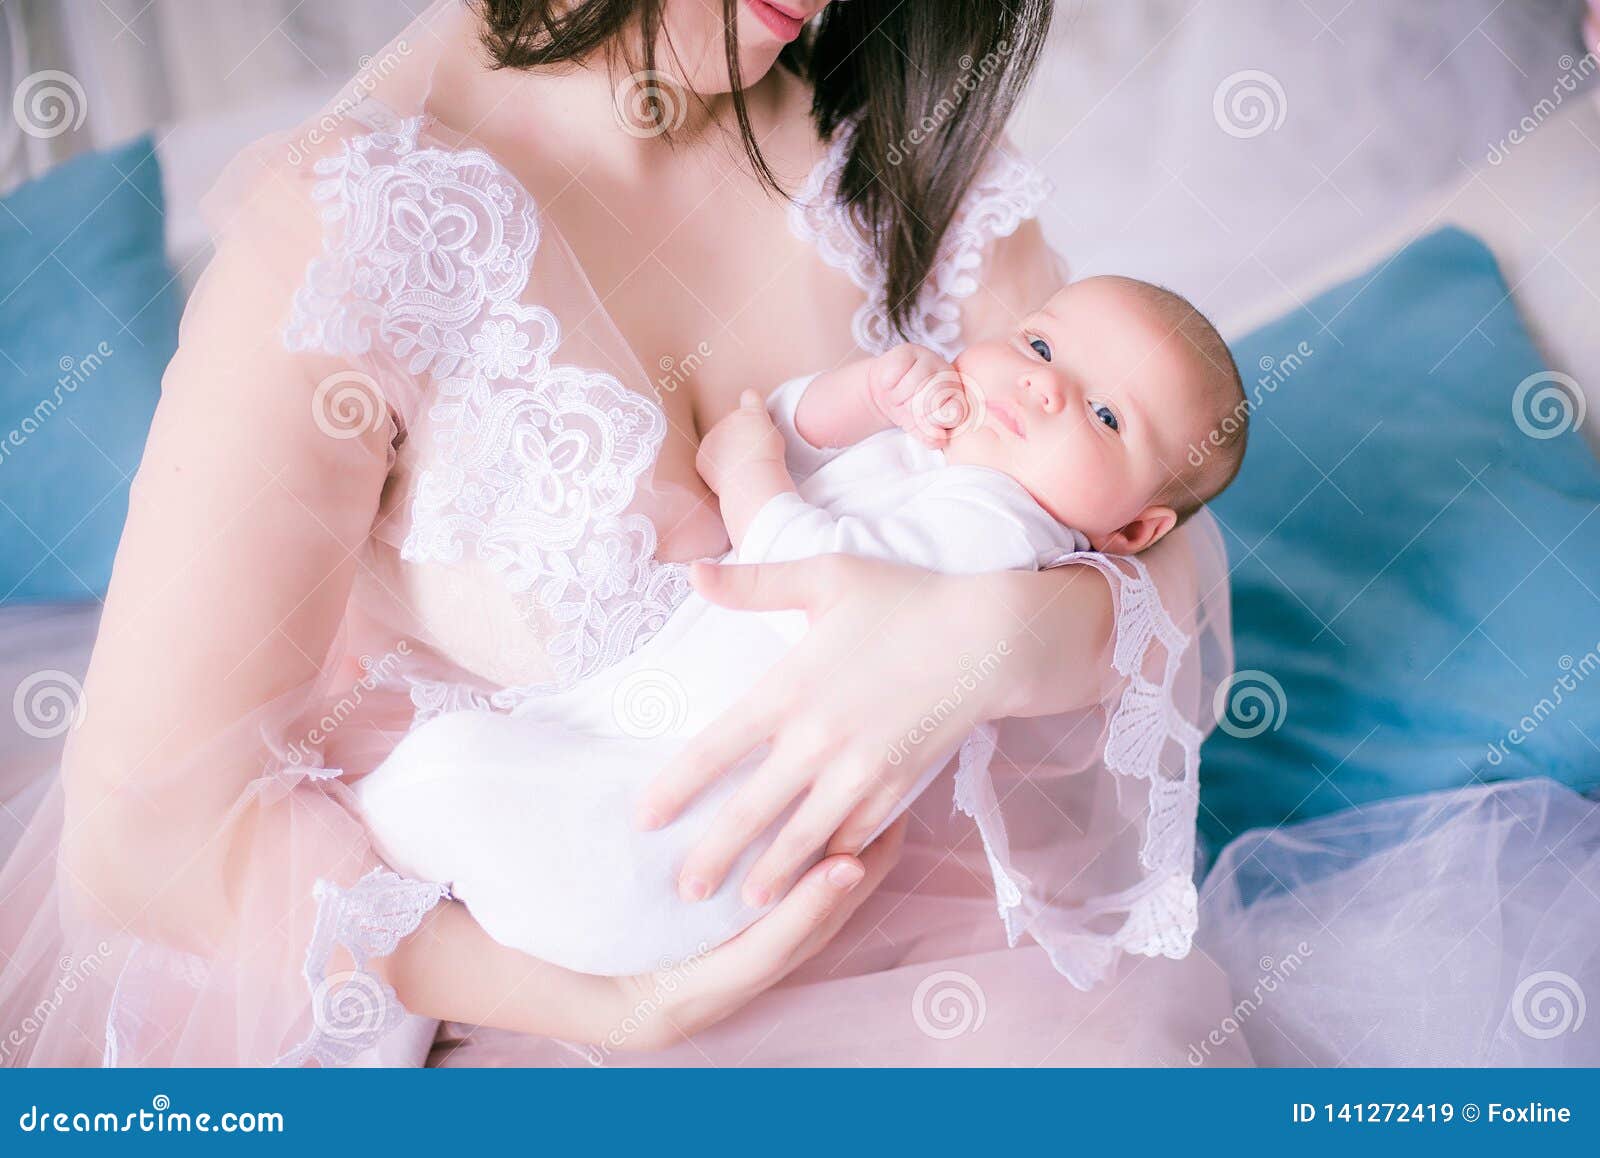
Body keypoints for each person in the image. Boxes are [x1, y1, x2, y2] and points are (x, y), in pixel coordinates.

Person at [0, 0, 1246, 1066]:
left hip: (909, 941)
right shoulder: (359, 230)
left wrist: (980, 635)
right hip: (502, 978)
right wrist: (624, 1002)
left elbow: (1152, 527)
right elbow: (150, 834)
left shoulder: (902, 149)